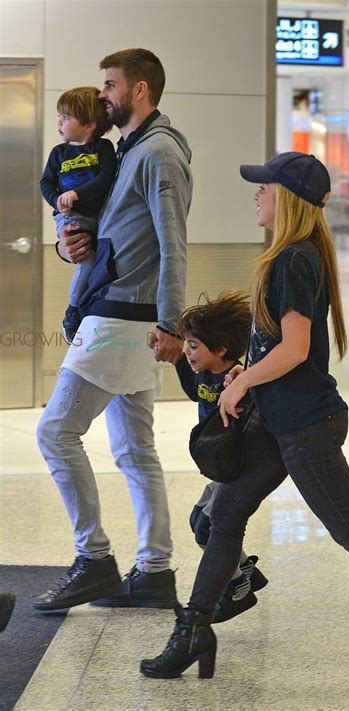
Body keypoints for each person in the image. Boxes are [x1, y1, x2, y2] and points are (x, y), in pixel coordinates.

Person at [139, 151, 349, 684]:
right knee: (224, 517)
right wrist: (248, 368)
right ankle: (194, 630)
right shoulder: (295, 253)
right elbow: (279, 345)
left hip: (304, 427)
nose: (256, 194)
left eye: (264, 186)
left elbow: (295, 348)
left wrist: (243, 379)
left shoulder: (294, 258)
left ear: (286, 197)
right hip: (280, 419)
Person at [34, 48, 193, 611]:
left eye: (110, 84)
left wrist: (173, 323)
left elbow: (173, 246)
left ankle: (94, 559)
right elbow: (111, 235)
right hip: (117, 308)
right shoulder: (126, 151)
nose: (101, 94)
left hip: (123, 317)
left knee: (55, 432)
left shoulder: (158, 154)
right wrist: (68, 244)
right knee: (135, 450)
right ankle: (153, 571)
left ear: (140, 90)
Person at [173, 290, 268, 623]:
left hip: (235, 466)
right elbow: (192, 389)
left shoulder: (238, 378)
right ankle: (246, 572)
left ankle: (239, 587)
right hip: (219, 466)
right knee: (198, 522)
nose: (187, 351)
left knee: (206, 528)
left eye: (194, 345)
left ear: (222, 350)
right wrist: (173, 357)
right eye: (186, 343)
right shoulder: (204, 373)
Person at [40, 86, 116, 343]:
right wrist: (58, 201)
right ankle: (73, 310)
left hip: (98, 217)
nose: (59, 123)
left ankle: (86, 306)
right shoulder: (58, 153)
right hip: (71, 216)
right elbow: (46, 183)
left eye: (66, 118)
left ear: (88, 125)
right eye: (59, 117)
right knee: (86, 260)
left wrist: (79, 193)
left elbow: (106, 179)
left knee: (99, 262)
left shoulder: (103, 148)